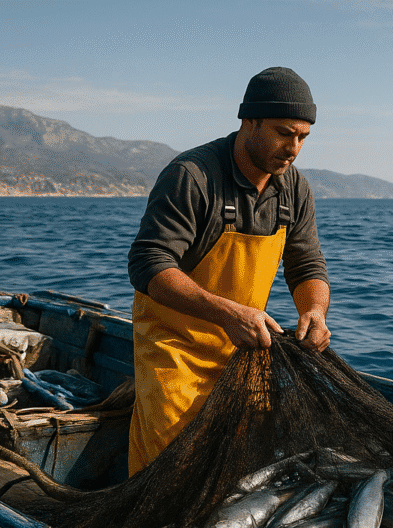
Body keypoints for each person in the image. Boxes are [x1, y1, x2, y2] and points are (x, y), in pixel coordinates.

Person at [127, 67, 330, 476]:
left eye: (303, 137)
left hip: (245, 351)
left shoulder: (294, 189)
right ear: (248, 121)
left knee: (242, 469)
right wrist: (225, 313)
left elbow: (306, 264)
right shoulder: (193, 177)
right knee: (168, 471)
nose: (293, 148)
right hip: (176, 352)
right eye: (283, 132)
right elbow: (149, 263)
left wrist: (315, 312)